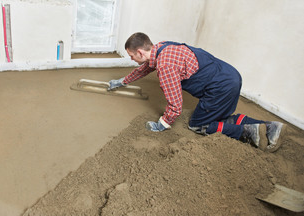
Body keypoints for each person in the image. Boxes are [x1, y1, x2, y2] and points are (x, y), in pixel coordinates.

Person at [108, 32, 286, 152]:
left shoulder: (165, 66)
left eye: (131, 56)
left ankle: (248, 133)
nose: (131, 59)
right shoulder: (162, 47)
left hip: (219, 88)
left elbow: (176, 105)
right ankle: (271, 127)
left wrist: (162, 124)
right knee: (220, 117)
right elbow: (145, 68)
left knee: (199, 125)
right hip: (231, 76)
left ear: (139, 52)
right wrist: (122, 81)